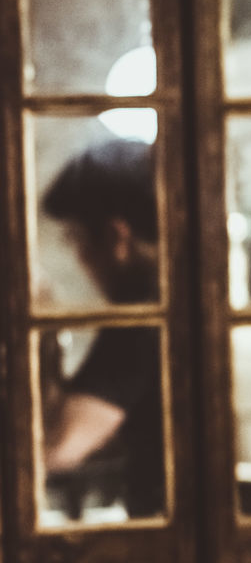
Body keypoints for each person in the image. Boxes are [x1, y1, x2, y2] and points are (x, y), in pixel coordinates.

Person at [41, 138, 163, 518]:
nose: (79, 257)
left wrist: (40, 327)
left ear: (115, 236)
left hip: (163, 536)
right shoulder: (173, 297)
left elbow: (57, 447)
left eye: (77, 239)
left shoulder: (143, 316)